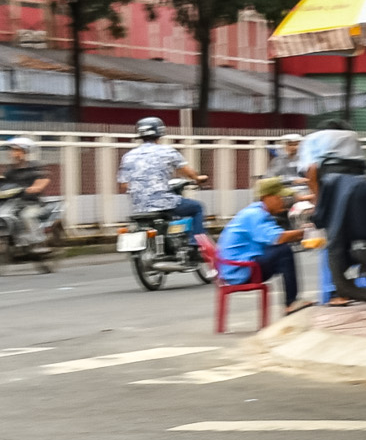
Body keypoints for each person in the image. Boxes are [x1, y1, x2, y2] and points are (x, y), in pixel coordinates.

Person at [215, 177, 308, 311]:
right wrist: (305, 233)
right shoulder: (256, 215)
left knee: (282, 255)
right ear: (267, 197)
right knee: (283, 251)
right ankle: (291, 303)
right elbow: (278, 237)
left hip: (236, 268)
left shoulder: (255, 212)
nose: (283, 201)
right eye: (279, 197)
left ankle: (291, 302)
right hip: (240, 271)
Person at [117, 117, 207, 237]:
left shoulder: (128, 156)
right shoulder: (167, 151)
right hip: (164, 203)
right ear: (160, 132)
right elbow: (187, 172)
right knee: (197, 208)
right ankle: (195, 242)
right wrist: (198, 178)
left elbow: (124, 185)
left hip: (139, 206)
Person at [0, 137, 53, 247]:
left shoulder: (35, 166)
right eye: (11, 150)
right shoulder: (10, 169)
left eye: (16, 150)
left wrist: (36, 187)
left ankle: (38, 242)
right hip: (13, 203)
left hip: (31, 203)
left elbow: (43, 179)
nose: (12, 153)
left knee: (26, 216)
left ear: (25, 152)